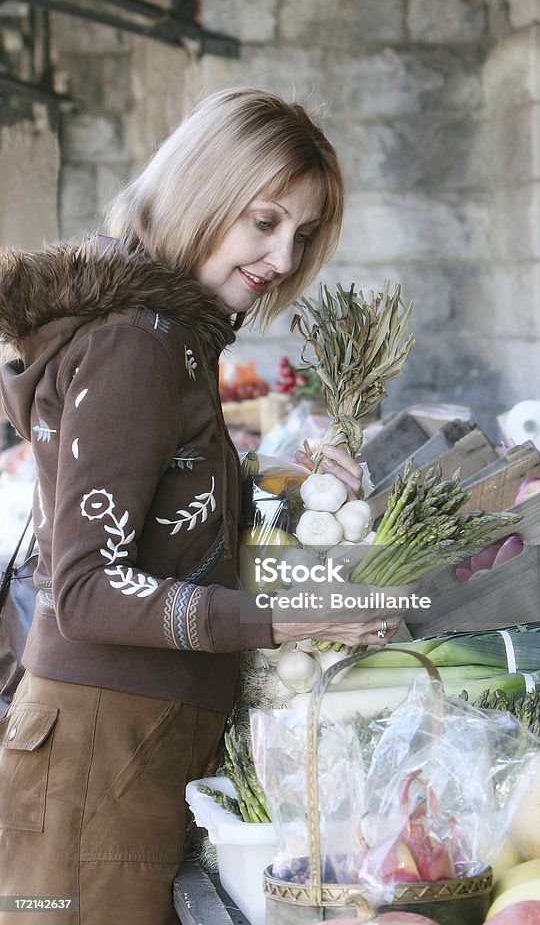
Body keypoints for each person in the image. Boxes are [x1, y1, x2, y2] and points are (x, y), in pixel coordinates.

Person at [0, 87, 399, 925]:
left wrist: (285, 485)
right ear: (202, 193)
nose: (284, 259)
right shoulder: (135, 344)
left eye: (301, 235)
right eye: (264, 221)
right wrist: (283, 619)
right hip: (100, 748)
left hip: (125, 735)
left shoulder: (162, 336)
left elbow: (167, 509)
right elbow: (86, 591)